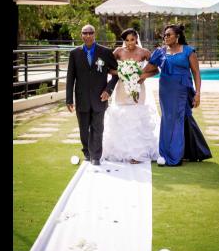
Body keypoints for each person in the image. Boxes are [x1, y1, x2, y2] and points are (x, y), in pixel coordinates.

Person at [141, 24, 212, 166]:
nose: (165, 37)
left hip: (182, 90)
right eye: (164, 35)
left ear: (177, 36)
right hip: (165, 90)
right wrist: (135, 75)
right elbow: (148, 69)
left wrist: (198, 93)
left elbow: (196, 73)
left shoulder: (188, 51)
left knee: (177, 119)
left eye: (169, 35)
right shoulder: (160, 52)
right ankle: (192, 151)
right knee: (169, 119)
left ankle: (174, 156)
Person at [102, 28, 160, 164]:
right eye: (127, 40)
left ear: (136, 38)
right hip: (122, 88)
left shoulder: (144, 52)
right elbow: (108, 68)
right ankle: (120, 151)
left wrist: (142, 76)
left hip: (138, 88)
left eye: (132, 40)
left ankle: (137, 154)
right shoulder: (118, 52)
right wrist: (121, 72)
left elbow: (155, 69)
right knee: (122, 117)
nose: (130, 43)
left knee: (136, 118)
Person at [66, 24, 119, 165]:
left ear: (94, 34)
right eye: (85, 33)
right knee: (84, 129)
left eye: (90, 33)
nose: (88, 35)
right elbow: (70, 77)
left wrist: (108, 90)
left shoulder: (106, 52)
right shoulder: (74, 53)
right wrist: (68, 99)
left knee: (98, 128)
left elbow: (116, 74)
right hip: (81, 98)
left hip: (99, 98)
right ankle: (87, 153)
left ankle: (96, 156)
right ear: (81, 35)